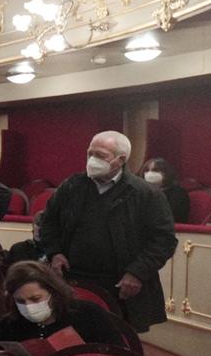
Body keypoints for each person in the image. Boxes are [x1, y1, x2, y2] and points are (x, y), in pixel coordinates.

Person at [33, 130, 177, 331]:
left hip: (121, 284)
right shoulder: (71, 186)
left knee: (118, 340)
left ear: (120, 160)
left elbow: (164, 240)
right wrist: (54, 252)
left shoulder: (146, 194)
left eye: (100, 155)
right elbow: (48, 222)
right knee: (71, 335)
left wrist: (137, 273)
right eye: (90, 154)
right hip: (73, 278)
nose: (92, 160)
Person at [0, 258, 124, 356]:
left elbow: (119, 355)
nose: (28, 306)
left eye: (36, 299)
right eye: (20, 301)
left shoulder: (88, 313)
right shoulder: (10, 323)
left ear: (53, 293)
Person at [139, 157, 191, 225]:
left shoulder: (179, 193)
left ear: (166, 172)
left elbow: (169, 216)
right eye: (147, 170)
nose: (149, 173)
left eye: (155, 170)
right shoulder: (142, 192)